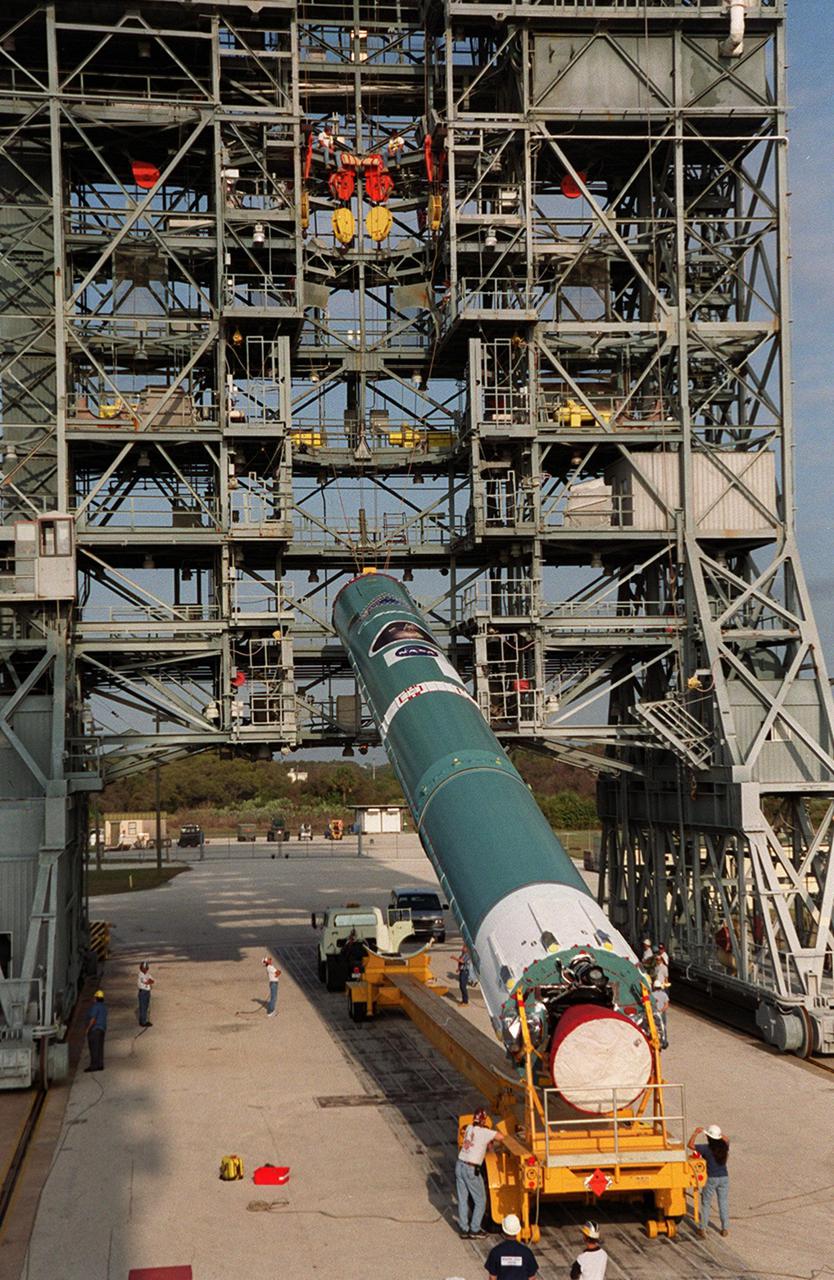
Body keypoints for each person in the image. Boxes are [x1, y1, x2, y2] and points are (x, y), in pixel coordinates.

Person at [456, 1108, 505, 1239]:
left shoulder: (469, 1129)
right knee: (481, 1200)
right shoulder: (485, 1132)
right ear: (483, 1121)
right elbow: (501, 1137)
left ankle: (463, 1228)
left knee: (463, 1198)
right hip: (470, 1169)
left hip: (460, 1165)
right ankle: (475, 1229)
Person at [689, 1123, 730, 1237]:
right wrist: (719, 1135)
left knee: (706, 1203)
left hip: (711, 1178)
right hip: (724, 1177)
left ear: (709, 1137)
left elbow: (690, 1145)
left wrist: (695, 1133)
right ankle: (725, 1228)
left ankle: (703, 1228)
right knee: (723, 1202)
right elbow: (727, 1139)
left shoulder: (706, 1148)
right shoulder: (724, 1147)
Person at [484, 1214, 538, 1279]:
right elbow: (532, 1277)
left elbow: (492, 1277)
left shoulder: (495, 1252)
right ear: (518, 1230)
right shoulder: (527, 1252)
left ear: (504, 1230)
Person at [85, 990, 107, 1072]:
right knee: (100, 1047)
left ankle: (93, 1065)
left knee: (93, 1047)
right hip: (102, 1030)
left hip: (95, 1030)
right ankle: (100, 1064)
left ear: (95, 998)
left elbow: (93, 1019)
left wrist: (88, 1029)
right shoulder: (104, 1007)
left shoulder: (95, 1006)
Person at [137, 961, 154, 1027]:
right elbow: (146, 981)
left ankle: (144, 1020)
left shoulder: (148, 974)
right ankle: (143, 1022)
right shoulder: (140, 975)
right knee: (143, 1007)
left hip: (147, 992)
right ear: (141, 968)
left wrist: (149, 981)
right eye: (144, 968)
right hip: (143, 992)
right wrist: (148, 981)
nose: (145, 969)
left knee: (146, 1006)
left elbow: (152, 981)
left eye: (146, 968)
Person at [653, 985, 670, 1049]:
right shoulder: (664, 994)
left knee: (655, 1027)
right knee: (663, 1027)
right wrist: (661, 1010)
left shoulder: (652, 995)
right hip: (662, 1013)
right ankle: (664, 1042)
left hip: (655, 1013)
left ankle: (657, 1040)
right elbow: (666, 1005)